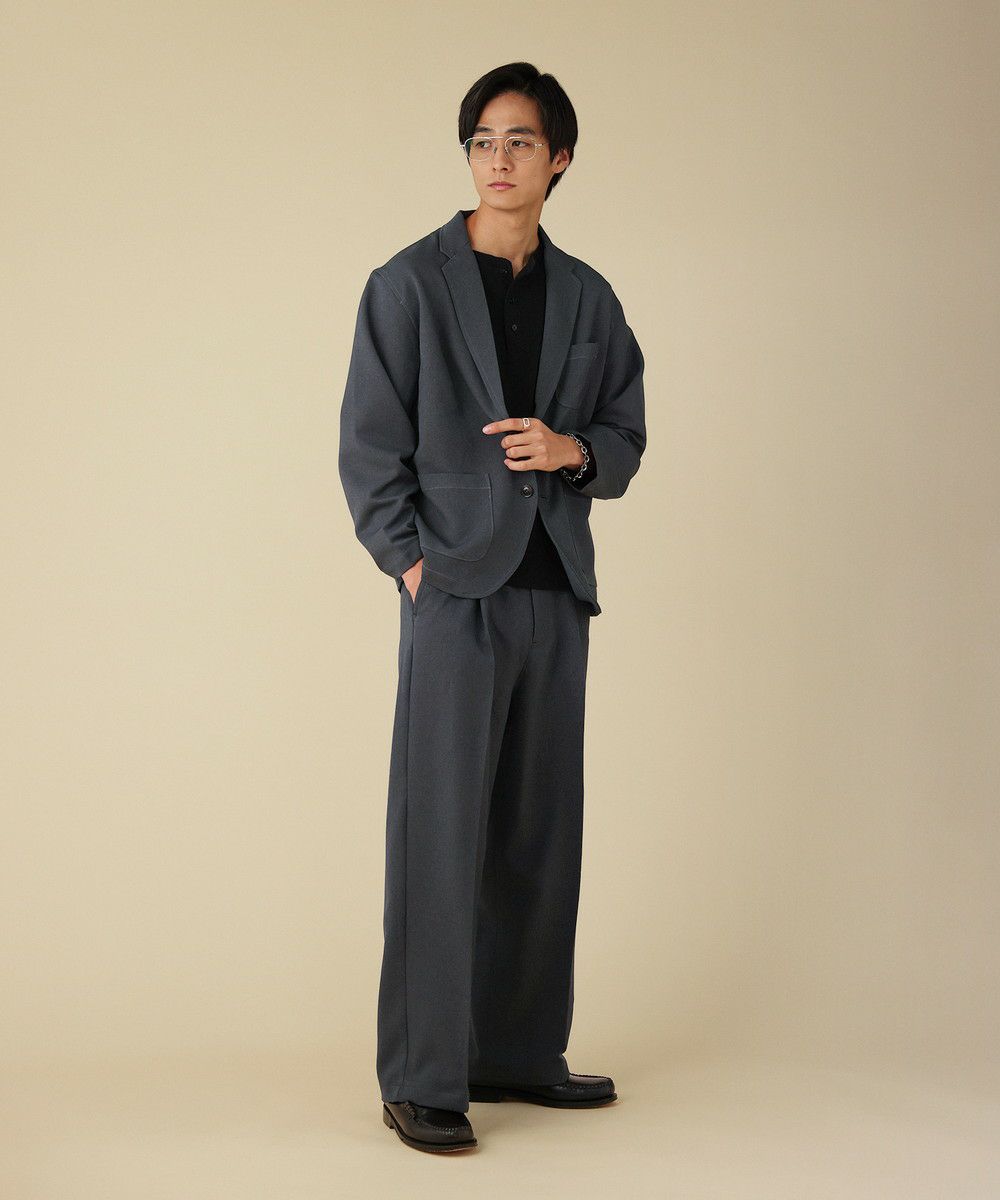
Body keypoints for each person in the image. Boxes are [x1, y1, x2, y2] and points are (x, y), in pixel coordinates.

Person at [339, 61, 646, 1154]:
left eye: (520, 142)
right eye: (482, 141)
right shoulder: (407, 285)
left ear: (560, 159)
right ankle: (423, 1077)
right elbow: (369, 448)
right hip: (454, 595)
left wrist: (572, 453)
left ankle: (517, 1052)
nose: (499, 159)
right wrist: (410, 567)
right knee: (440, 833)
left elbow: (624, 436)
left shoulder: (590, 296)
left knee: (536, 835)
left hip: (554, 588)